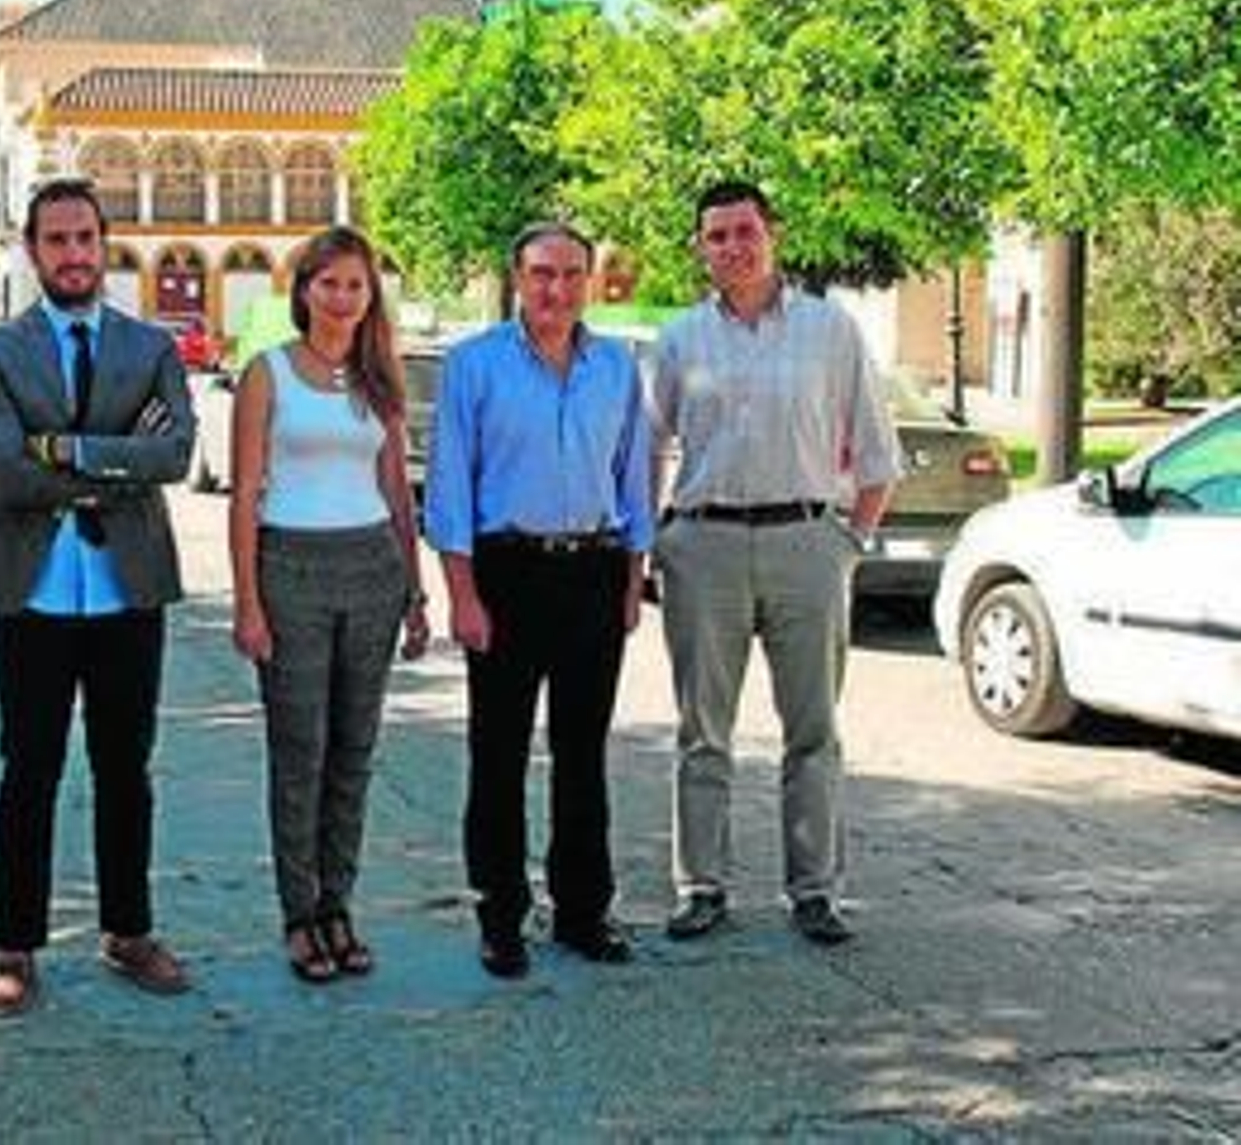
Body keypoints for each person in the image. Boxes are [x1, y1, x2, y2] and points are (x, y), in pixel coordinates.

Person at [0, 176, 197, 1014]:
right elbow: (5, 472)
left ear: (104, 241)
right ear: (32, 250)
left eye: (85, 237)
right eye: (56, 240)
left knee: (127, 770)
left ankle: (129, 932)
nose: (73, 254)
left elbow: (175, 456)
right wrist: (117, 457)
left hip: (129, 591)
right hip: (33, 593)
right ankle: (14, 945)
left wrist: (62, 448)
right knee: (29, 770)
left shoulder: (151, 348)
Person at [649, 179, 899, 947]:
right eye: (717, 235)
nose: (734, 246)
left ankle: (814, 889)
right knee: (703, 730)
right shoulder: (680, 338)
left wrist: (849, 542)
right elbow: (647, 449)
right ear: (701, 248)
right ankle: (701, 885)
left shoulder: (831, 329)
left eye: (745, 230)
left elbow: (878, 450)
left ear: (773, 234)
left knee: (813, 729)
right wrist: (655, 540)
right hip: (705, 547)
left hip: (806, 543)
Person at [424, 222, 653, 978]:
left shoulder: (616, 367)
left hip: (593, 571)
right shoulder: (474, 364)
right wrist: (462, 595)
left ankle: (583, 910)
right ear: (518, 278)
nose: (557, 289)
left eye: (571, 274)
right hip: (507, 574)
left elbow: (634, 479)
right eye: (542, 274)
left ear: (589, 280)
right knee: (499, 753)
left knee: (583, 754)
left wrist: (630, 583)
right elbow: (451, 485)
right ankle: (500, 916)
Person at [229, 227, 429, 983]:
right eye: (329, 283)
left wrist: (414, 590)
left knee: (354, 749)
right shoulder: (268, 373)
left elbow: (396, 490)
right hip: (291, 571)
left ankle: (338, 904)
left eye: (356, 285)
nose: (343, 298)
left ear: (371, 295)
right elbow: (245, 494)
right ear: (304, 289)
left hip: (372, 569)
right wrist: (248, 602)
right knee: (299, 752)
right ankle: (299, 914)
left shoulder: (379, 378)